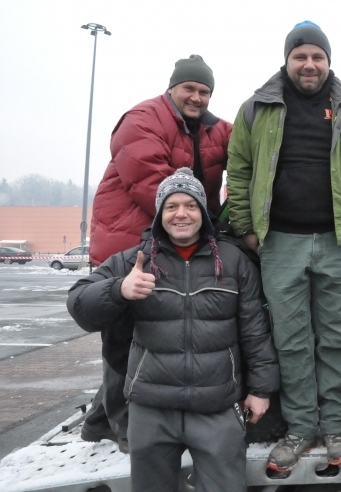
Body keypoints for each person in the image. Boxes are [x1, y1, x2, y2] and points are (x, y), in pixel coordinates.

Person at [226, 21, 341, 471]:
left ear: (328, 61)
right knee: (292, 341)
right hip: (281, 242)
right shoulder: (255, 109)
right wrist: (245, 226)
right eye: (300, 56)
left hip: (340, 242)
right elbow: (238, 170)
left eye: (317, 56)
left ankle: (335, 427)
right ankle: (300, 427)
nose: (309, 64)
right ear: (286, 60)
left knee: (336, 340)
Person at [68, 168, 280, 491]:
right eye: (171, 206)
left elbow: (256, 331)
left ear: (203, 212)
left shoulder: (233, 261)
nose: (181, 214)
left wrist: (261, 390)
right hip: (151, 411)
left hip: (217, 408)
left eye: (191, 205)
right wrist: (119, 289)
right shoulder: (135, 261)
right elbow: (79, 303)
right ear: (159, 214)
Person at [81, 55, 232, 453]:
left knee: (152, 334)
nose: (196, 97)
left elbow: (250, 148)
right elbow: (153, 186)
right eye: (189, 89)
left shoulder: (217, 130)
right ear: (172, 88)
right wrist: (203, 227)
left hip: (169, 241)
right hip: (128, 243)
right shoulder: (142, 120)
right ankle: (124, 425)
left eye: (204, 91)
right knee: (124, 337)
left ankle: (98, 419)